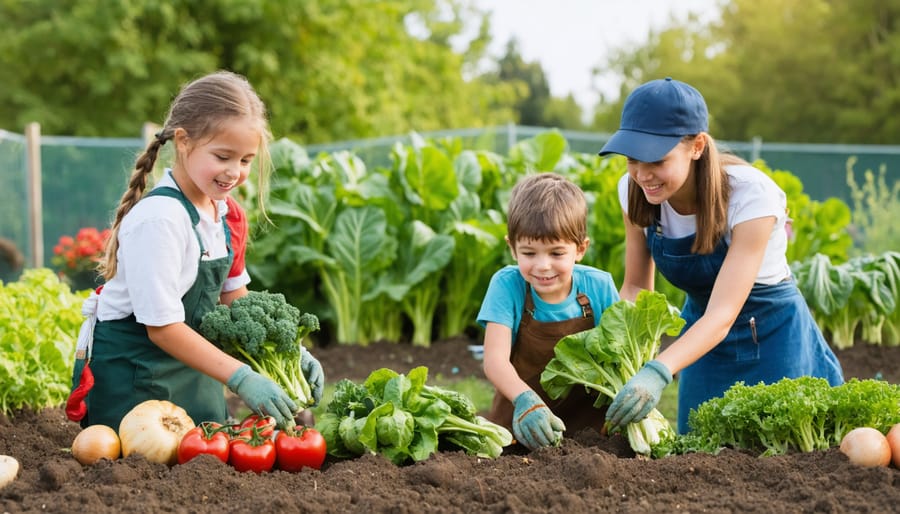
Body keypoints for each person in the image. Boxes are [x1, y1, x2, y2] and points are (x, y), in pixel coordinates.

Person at [67, 71, 323, 430]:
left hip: (197, 379)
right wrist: (242, 377)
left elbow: (234, 297)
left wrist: (291, 352)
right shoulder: (160, 220)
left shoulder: (226, 214)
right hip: (137, 385)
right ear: (184, 142)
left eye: (246, 160)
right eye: (223, 156)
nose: (234, 172)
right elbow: (163, 329)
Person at [598, 77, 843, 434]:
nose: (642, 173)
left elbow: (724, 313)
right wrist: (621, 352)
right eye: (632, 159)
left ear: (696, 146)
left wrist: (657, 371)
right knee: (701, 454)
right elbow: (636, 287)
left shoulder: (751, 196)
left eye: (657, 160)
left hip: (771, 334)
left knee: (784, 457)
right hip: (701, 336)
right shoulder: (633, 191)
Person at [477, 173, 620, 450]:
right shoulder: (507, 285)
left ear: (580, 249)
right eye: (529, 253)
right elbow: (494, 360)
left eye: (556, 253)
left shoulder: (599, 286)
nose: (543, 266)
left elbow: (618, 358)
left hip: (590, 439)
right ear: (512, 247)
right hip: (520, 427)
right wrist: (525, 401)